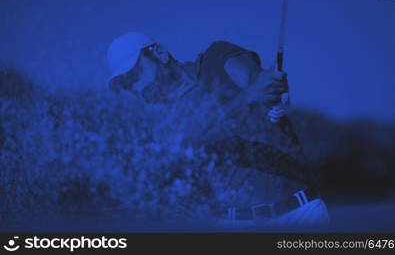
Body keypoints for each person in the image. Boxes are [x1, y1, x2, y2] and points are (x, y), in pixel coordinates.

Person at [106, 32, 329, 227]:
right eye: (127, 85)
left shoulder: (217, 56)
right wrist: (249, 98)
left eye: (135, 74)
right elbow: (195, 136)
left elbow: (251, 79)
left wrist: (268, 86)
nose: (136, 87)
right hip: (235, 224)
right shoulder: (162, 123)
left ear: (160, 54)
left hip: (301, 214)